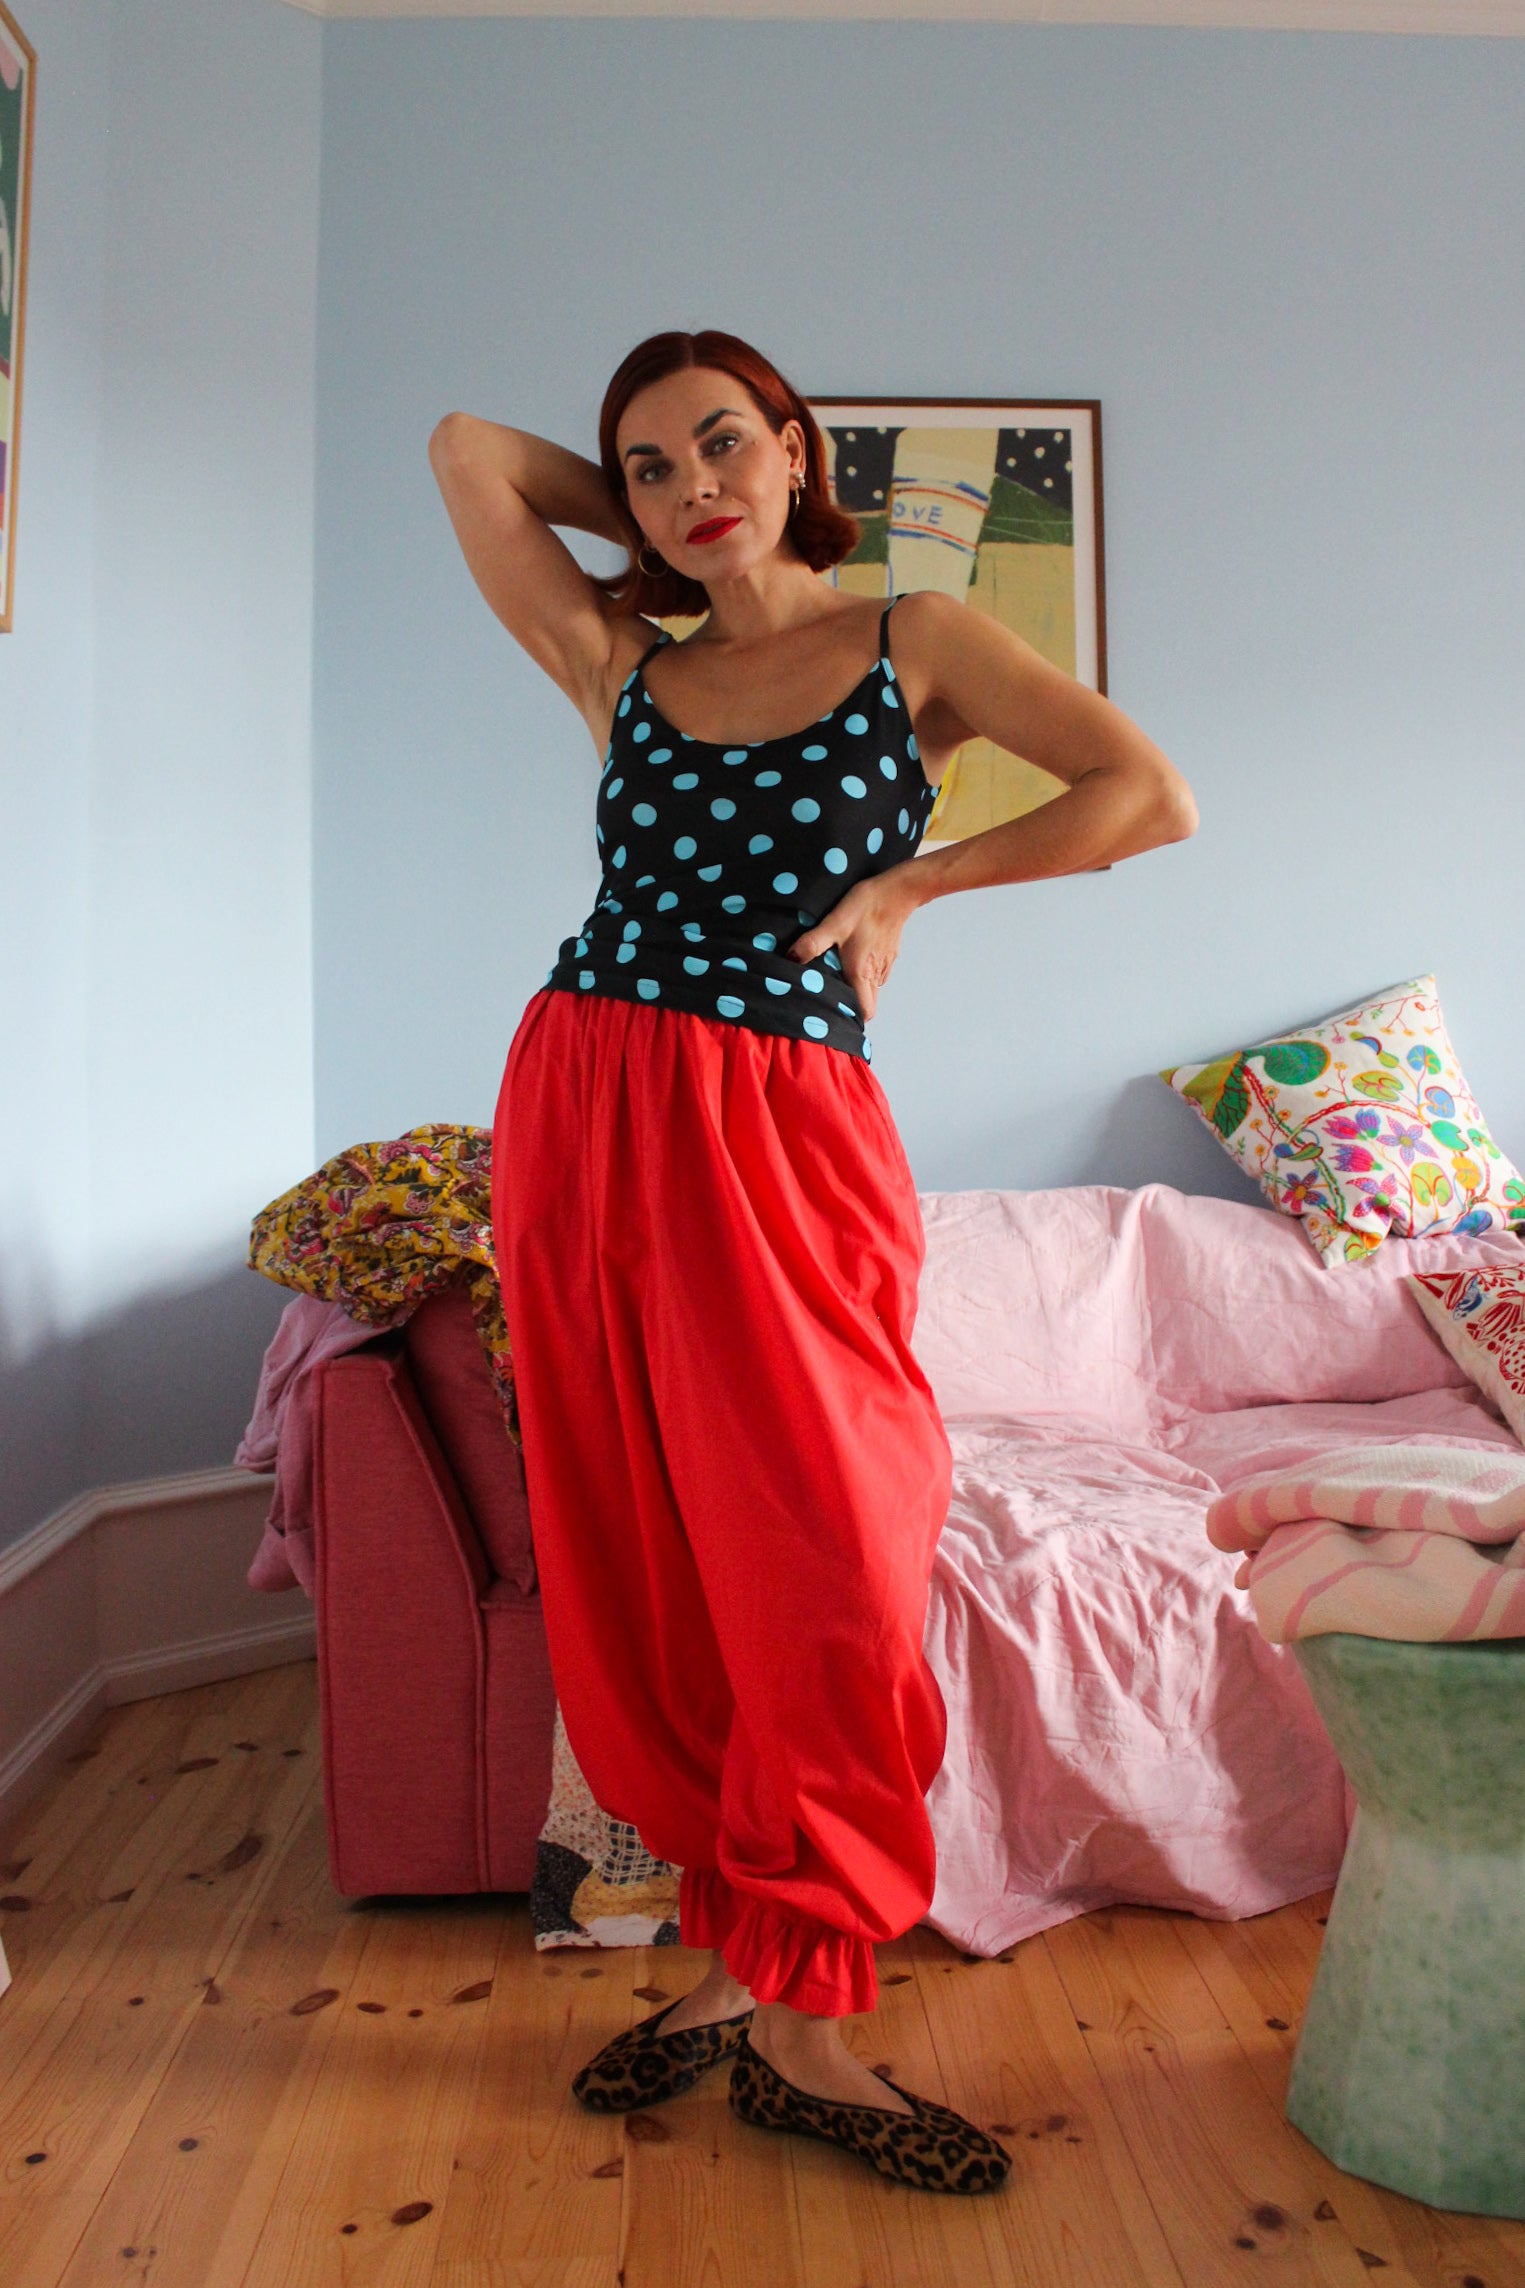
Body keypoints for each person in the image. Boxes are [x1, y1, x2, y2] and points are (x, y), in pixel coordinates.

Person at [429, 329, 1196, 2195]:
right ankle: (743, 1967)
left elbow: (1141, 794)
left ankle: (809, 2007)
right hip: (585, 1100)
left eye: (724, 443)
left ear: (795, 446)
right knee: (652, 1548)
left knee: (836, 1552)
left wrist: (914, 881)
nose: (693, 485)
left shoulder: (912, 640)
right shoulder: (623, 666)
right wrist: (642, 530)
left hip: (787, 1123)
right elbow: (465, 449)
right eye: (650, 466)